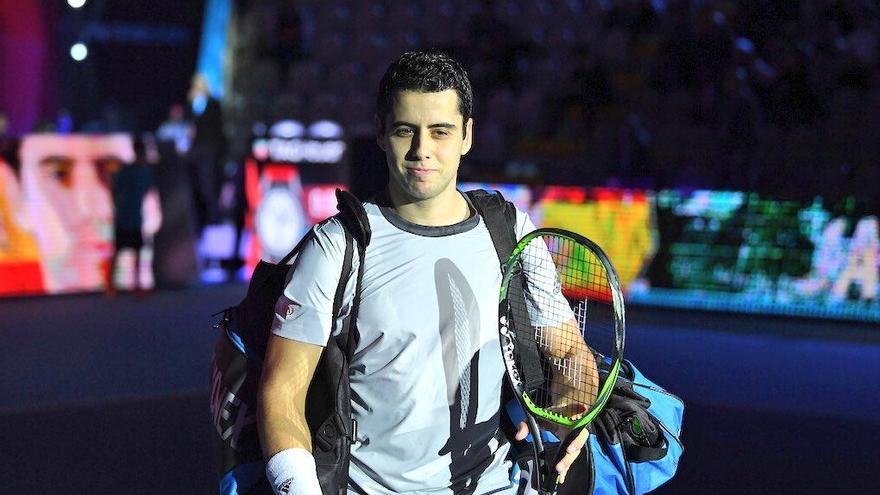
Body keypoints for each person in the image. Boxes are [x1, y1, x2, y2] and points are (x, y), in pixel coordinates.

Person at [257, 50, 590, 495]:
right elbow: (280, 395)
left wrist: (571, 403)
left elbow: (568, 352)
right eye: (404, 131)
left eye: (440, 131)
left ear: (467, 136)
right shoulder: (338, 246)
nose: (421, 150)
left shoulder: (512, 233)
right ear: (379, 132)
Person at [106, 136, 161, 296]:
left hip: (135, 217)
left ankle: (136, 285)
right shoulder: (127, 171)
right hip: (124, 216)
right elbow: (115, 189)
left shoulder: (144, 172)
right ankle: (110, 286)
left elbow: (149, 188)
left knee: (136, 251)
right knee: (118, 250)